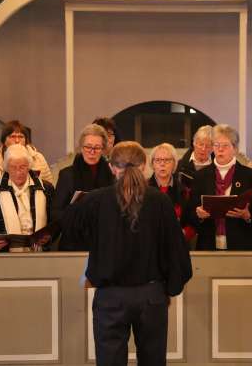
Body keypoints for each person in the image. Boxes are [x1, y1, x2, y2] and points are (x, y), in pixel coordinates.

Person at [64, 141, 192, 366]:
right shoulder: (160, 201)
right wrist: (169, 289)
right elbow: (177, 250)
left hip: (111, 296)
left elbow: (70, 232)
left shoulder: (95, 200)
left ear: (113, 168)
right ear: (144, 166)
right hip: (151, 295)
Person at [188, 124, 252, 251]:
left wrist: (248, 215)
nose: (220, 149)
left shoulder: (251, 176)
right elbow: (190, 213)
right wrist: (199, 215)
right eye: (216, 145)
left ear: (235, 148)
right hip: (208, 243)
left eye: (225, 145)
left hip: (242, 244)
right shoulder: (200, 177)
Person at [0, 144, 55, 252]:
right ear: (6, 168)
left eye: (22, 167)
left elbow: (53, 221)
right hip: (5, 255)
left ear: (29, 166)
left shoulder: (46, 188)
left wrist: (49, 236)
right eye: (13, 167)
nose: (18, 172)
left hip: (39, 253)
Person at [52, 123, 114, 250]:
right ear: (81, 147)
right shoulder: (67, 175)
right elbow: (56, 212)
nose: (92, 152)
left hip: (104, 241)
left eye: (97, 148)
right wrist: (77, 217)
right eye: (88, 147)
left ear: (103, 149)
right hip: (74, 241)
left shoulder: (112, 174)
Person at [0, 120, 52, 186]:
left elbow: (49, 186)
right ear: (4, 141)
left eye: (21, 137)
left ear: (26, 140)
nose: (17, 140)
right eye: (12, 136)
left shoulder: (38, 158)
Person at [148, 142, 196, 243]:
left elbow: (192, 224)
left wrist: (181, 234)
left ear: (174, 163)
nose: (162, 164)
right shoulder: (142, 189)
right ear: (152, 164)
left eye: (167, 160)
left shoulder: (185, 191)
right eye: (158, 160)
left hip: (177, 245)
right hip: (149, 245)